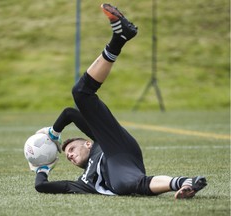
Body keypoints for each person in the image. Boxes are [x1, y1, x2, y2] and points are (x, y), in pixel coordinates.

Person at [28, 3, 207, 199]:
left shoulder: (98, 142)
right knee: (125, 185)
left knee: (80, 92)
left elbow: (69, 113)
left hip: (115, 145)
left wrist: (54, 133)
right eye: (68, 156)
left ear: (88, 143)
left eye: (71, 149)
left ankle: (119, 37)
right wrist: (42, 168)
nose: (69, 155)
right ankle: (184, 182)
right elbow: (41, 187)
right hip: (123, 174)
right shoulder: (83, 183)